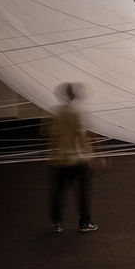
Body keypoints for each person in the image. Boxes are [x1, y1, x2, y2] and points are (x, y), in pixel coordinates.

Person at [46, 82, 97, 232]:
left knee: (58, 192)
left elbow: (52, 136)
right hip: (76, 160)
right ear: (73, 95)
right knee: (82, 192)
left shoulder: (54, 112)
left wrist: (51, 155)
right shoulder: (77, 112)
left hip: (58, 160)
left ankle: (57, 223)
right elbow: (81, 136)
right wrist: (89, 155)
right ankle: (85, 223)